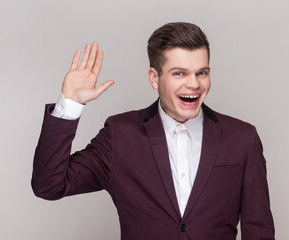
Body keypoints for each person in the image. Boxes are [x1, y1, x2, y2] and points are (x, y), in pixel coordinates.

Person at [32, 22, 275, 240]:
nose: (194, 84)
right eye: (179, 73)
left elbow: (259, 231)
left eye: (202, 72)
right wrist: (70, 105)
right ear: (154, 78)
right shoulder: (120, 135)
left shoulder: (242, 138)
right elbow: (49, 185)